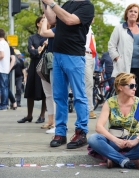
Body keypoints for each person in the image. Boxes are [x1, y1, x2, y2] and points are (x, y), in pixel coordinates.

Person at [42, 0, 94, 149]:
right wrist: (45, 3)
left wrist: (51, 3)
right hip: (58, 54)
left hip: (74, 55)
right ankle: (60, 132)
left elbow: (70, 20)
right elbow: (52, 20)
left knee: (79, 95)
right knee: (59, 96)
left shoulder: (87, 6)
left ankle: (81, 132)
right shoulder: (66, 4)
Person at [88, 72, 139, 170]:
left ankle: (117, 160)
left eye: (135, 85)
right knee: (93, 138)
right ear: (120, 87)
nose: (135, 88)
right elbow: (99, 127)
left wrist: (136, 140)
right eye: (131, 86)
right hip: (114, 141)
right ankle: (126, 161)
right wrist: (115, 140)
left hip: (133, 141)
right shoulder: (110, 103)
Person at [108, 3, 139, 98]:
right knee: (123, 93)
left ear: (138, 15)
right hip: (124, 67)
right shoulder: (119, 28)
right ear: (127, 14)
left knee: (136, 94)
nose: (133, 13)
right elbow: (111, 46)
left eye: (135, 12)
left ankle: (135, 113)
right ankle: (121, 112)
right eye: (131, 11)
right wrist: (118, 59)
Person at [17, 17, 47, 123]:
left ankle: (42, 115)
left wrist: (37, 49)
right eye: (43, 21)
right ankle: (29, 115)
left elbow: (44, 51)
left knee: (44, 91)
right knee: (30, 89)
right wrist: (38, 50)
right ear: (38, 24)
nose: (45, 22)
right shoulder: (32, 37)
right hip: (34, 66)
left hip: (44, 65)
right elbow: (31, 51)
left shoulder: (48, 36)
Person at [39, 15, 56, 133]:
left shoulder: (58, 29)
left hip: (55, 63)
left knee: (55, 94)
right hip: (47, 64)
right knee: (48, 94)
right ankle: (50, 120)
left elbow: (42, 32)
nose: (46, 19)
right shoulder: (51, 32)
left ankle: (56, 122)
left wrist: (45, 20)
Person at [85, 22, 97, 119]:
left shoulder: (90, 28)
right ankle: (89, 109)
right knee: (88, 83)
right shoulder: (83, 27)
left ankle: (88, 108)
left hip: (92, 56)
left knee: (90, 83)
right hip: (85, 55)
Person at [0, 28, 11, 111]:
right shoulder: (6, 43)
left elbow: (1, 55)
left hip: (1, 68)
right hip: (6, 68)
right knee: (5, 87)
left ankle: (3, 105)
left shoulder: (0, 43)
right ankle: (5, 104)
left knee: (3, 87)